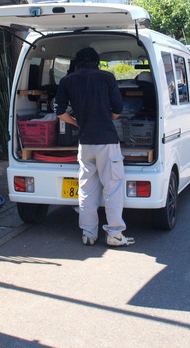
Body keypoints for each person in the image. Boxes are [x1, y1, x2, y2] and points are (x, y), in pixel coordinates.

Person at [54, 47, 135, 247]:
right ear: (97, 62)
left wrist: (76, 122)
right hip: (107, 142)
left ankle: (88, 234)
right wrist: (104, 119)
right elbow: (117, 110)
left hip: (85, 143)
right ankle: (115, 234)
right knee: (112, 188)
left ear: (77, 62)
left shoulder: (67, 80)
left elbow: (59, 111)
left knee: (87, 190)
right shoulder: (107, 78)